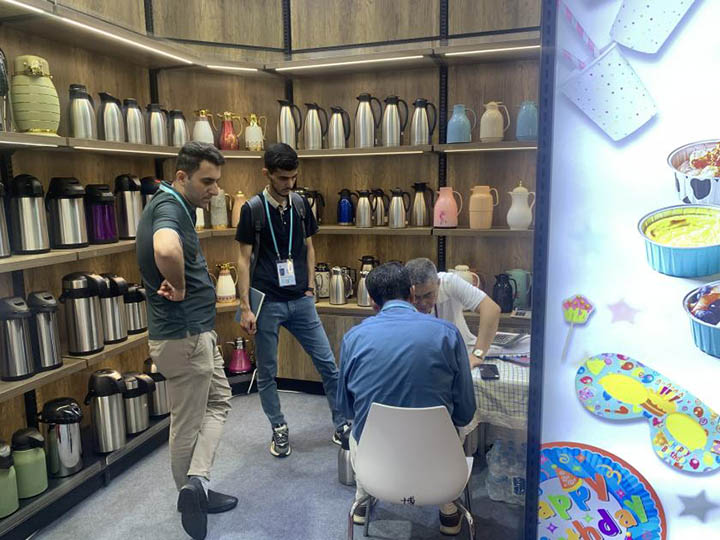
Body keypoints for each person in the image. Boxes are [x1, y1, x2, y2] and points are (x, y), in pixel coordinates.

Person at [136, 142, 234, 540]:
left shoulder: (175, 204)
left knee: (219, 400)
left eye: (217, 182)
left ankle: (197, 484)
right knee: (188, 423)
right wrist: (177, 285)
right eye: (207, 182)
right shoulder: (169, 207)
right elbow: (165, 248)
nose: (215, 190)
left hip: (193, 333)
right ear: (181, 176)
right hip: (184, 337)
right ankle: (190, 492)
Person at [337, 262, 476, 536]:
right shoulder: (447, 334)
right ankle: (448, 508)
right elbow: (465, 412)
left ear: (372, 302)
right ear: (412, 293)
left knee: (357, 430)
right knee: (453, 427)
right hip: (440, 462)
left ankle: (362, 500)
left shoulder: (353, 338)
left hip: (376, 464)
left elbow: (346, 409)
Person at [235, 143, 348, 458]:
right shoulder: (253, 209)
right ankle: (279, 428)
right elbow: (243, 260)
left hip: (301, 300)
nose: (290, 184)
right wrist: (245, 307)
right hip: (267, 303)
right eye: (283, 178)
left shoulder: (300, 204)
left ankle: (341, 424)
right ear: (267, 174)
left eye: (293, 177)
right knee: (267, 372)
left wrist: (310, 287)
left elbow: (309, 247)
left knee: (329, 365)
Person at [406, 258, 501, 367]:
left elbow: (491, 309)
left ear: (438, 283)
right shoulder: (400, 294)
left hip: (462, 355)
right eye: (416, 297)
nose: (422, 303)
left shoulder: (450, 282)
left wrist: (477, 355)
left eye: (428, 295)